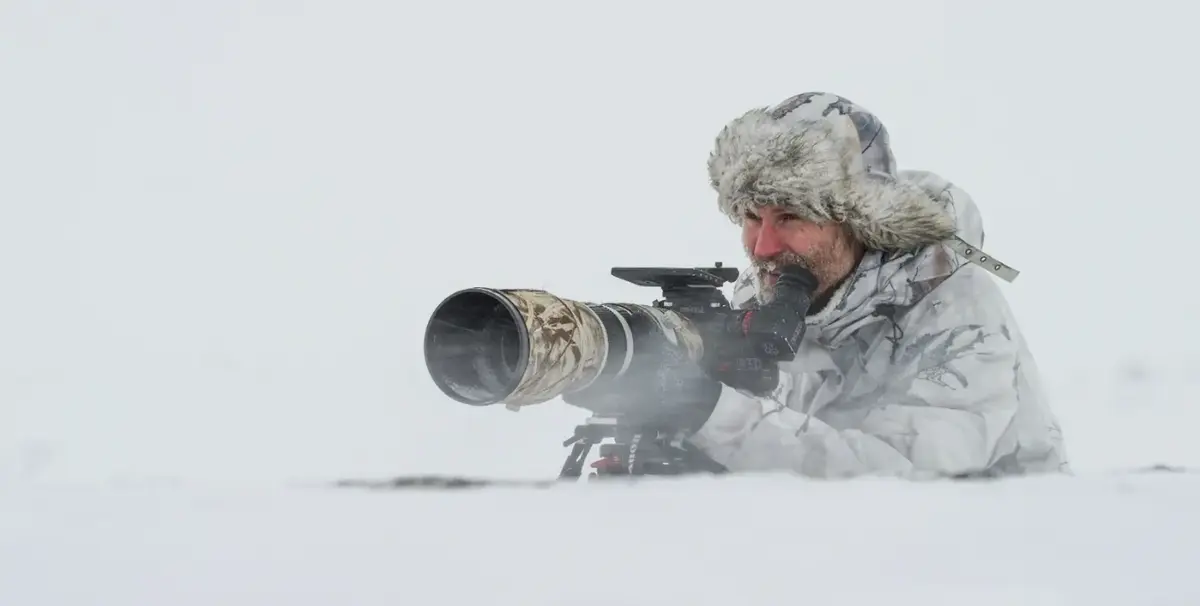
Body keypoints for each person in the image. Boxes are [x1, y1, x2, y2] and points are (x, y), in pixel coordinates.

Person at [664, 91, 1069, 479]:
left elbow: (906, 476)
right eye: (751, 217)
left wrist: (712, 414)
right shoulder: (770, 300)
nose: (764, 247)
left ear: (858, 221)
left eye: (789, 216)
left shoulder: (956, 309)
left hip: (995, 540)